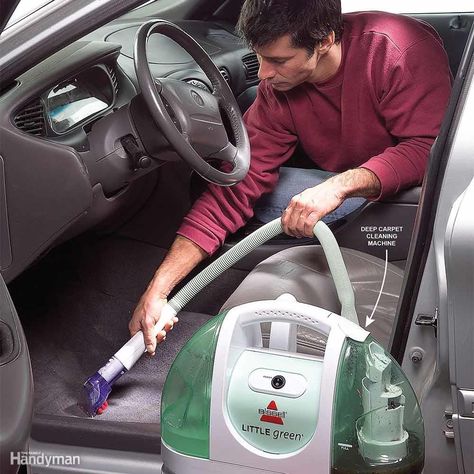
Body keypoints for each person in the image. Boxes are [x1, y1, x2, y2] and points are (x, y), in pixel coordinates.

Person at [129, 0, 452, 355]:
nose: (263, 73)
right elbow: (237, 188)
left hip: (411, 197)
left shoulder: (396, 50)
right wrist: (159, 290)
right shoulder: (277, 90)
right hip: (349, 177)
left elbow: (430, 149)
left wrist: (338, 186)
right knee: (225, 184)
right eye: (260, 56)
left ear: (325, 40)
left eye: (279, 61)